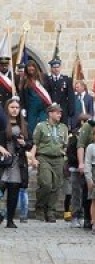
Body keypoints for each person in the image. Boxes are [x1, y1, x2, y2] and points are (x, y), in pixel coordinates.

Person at [31, 101, 71, 222]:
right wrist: (33, 158)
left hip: (58, 158)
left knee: (56, 186)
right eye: (57, 113)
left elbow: (65, 144)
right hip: (44, 157)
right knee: (46, 184)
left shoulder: (63, 128)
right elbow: (35, 143)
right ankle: (40, 207)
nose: (59, 115)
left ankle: (50, 211)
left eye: (60, 113)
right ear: (50, 113)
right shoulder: (41, 126)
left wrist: (64, 156)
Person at [1, 97, 30, 228]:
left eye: (17, 108)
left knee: (13, 192)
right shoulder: (2, 123)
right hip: (3, 161)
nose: (14, 110)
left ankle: (10, 219)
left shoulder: (24, 125)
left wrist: (25, 143)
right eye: (12, 107)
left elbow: (31, 143)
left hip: (17, 162)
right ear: (7, 108)